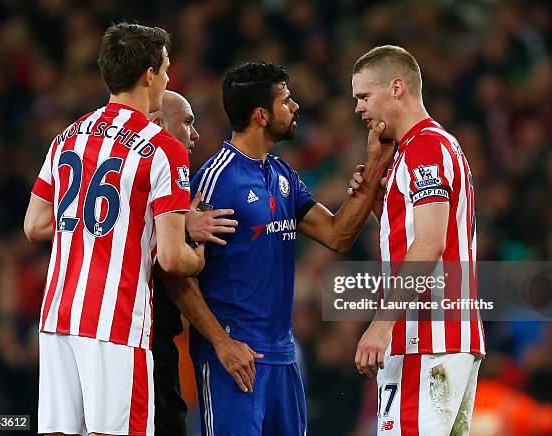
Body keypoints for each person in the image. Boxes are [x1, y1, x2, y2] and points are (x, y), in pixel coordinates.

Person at [166, 61, 393, 435]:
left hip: (283, 359)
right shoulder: (212, 181)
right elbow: (177, 274)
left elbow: (337, 235)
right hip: (235, 360)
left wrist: (373, 170)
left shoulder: (283, 174)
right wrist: (222, 344)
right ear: (261, 115)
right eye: (286, 100)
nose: (295, 106)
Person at [23, 23, 204, 436]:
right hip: (115, 318)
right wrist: (199, 255)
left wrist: (90, 229)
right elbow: (174, 257)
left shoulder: (67, 137)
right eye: (167, 70)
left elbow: (34, 225)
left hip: (57, 317)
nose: (168, 78)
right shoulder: (163, 148)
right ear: (149, 74)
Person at [351, 45, 484, 435]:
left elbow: (429, 244)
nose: (359, 109)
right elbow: (423, 232)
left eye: (364, 96)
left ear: (396, 88)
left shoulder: (423, 148)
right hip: (453, 338)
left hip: (423, 338)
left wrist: (381, 324)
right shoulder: (436, 145)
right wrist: (381, 201)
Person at [149, 90, 254, 436]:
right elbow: (174, 268)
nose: (195, 134)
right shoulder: (170, 181)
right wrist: (182, 235)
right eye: (188, 123)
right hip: (140, 339)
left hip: (135, 337)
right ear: (159, 125)